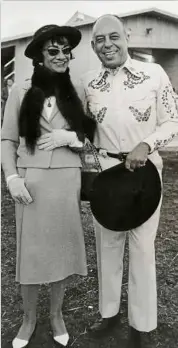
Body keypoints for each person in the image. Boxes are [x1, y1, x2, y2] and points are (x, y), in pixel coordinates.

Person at [79, 14, 178, 347]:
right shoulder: (89, 82)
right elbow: (85, 130)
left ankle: (142, 324)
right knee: (107, 245)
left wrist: (146, 143)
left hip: (144, 171)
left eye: (113, 37)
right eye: (99, 41)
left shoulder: (153, 74)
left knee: (141, 246)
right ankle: (109, 315)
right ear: (93, 46)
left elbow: (172, 122)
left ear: (127, 36)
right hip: (106, 173)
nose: (107, 45)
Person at [1, 25, 88, 348]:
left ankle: (56, 315)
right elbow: (7, 139)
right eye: (54, 51)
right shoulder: (20, 91)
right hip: (30, 181)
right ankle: (28, 319)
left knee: (61, 249)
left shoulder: (76, 88)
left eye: (66, 51)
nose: (62, 56)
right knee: (32, 252)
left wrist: (73, 138)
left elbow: (91, 136)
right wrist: (12, 177)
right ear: (39, 56)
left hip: (66, 179)